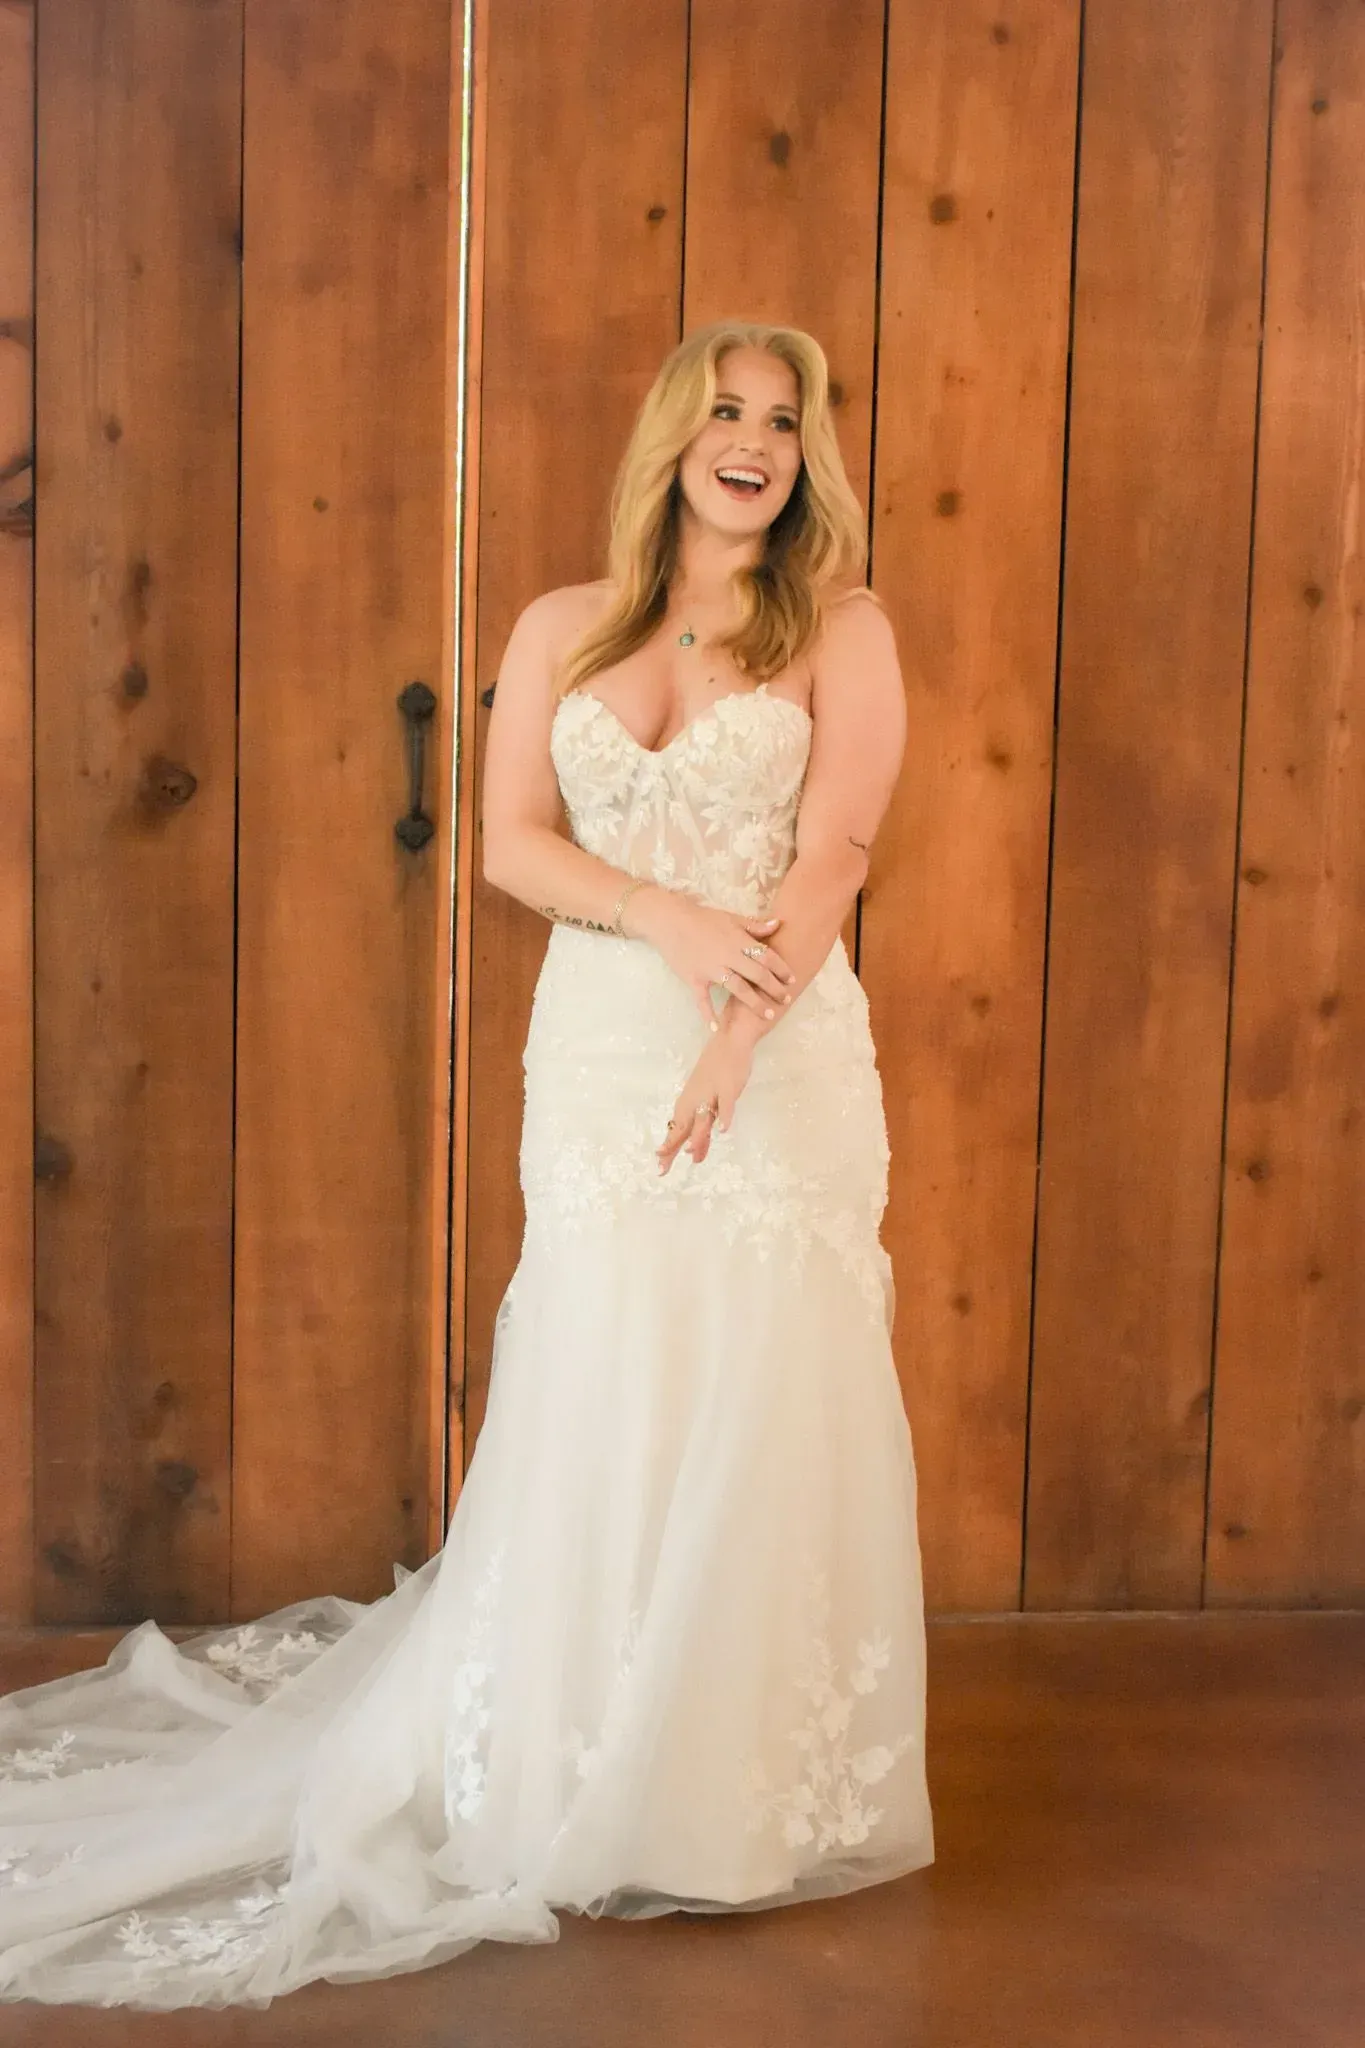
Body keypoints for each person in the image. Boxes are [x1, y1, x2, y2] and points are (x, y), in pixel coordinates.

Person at [0, 318, 933, 2010]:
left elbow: (839, 849)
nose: (753, 441)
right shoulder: (561, 625)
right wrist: (655, 914)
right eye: (725, 411)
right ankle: (561, 1757)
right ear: (672, 438)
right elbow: (511, 842)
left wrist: (742, 1028)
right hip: (593, 1044)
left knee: (753, 1385)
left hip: (776, 1053)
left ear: (810, 460)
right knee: (601, 1369)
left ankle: (718, 1794)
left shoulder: (841, 630)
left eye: (783, 423)